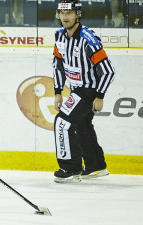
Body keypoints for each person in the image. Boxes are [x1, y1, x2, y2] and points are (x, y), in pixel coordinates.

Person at [52, 0, 115, 183]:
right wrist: (57, 92)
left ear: (77, 15)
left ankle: (70, 168)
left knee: (62, 122)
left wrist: (99, 96)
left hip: (88, 91)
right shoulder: (60, 37)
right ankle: (96, 166)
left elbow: (108, 71)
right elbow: (58, 65)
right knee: (82, 126)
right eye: (62, 13)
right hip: (75, 90)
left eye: (69, 13)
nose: (65, 17)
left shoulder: (88, 38)